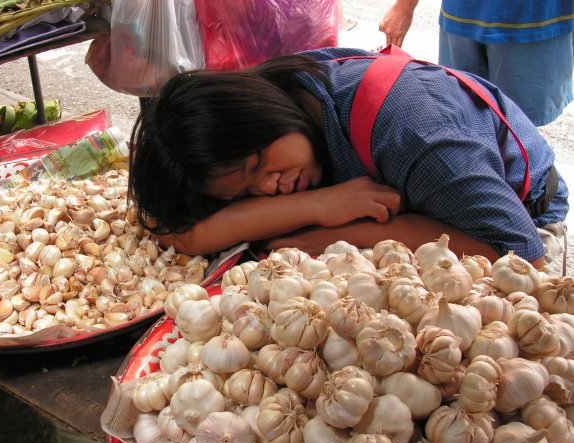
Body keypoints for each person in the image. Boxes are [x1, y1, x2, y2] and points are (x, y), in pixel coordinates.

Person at [128, 46, 569, 273]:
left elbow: (519, 255)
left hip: (520, 221)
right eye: (245, 192)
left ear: (263, 111)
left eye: (259, 164)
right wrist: (318, 205)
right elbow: (178, 232)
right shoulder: (291, 93)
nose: (268, 187)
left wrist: (335, 234)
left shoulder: (411, 130)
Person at [379, 0, 574, 126]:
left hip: (536, 20)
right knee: (462, 118)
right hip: (463, 17)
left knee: (520, 130)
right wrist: (405, 6)